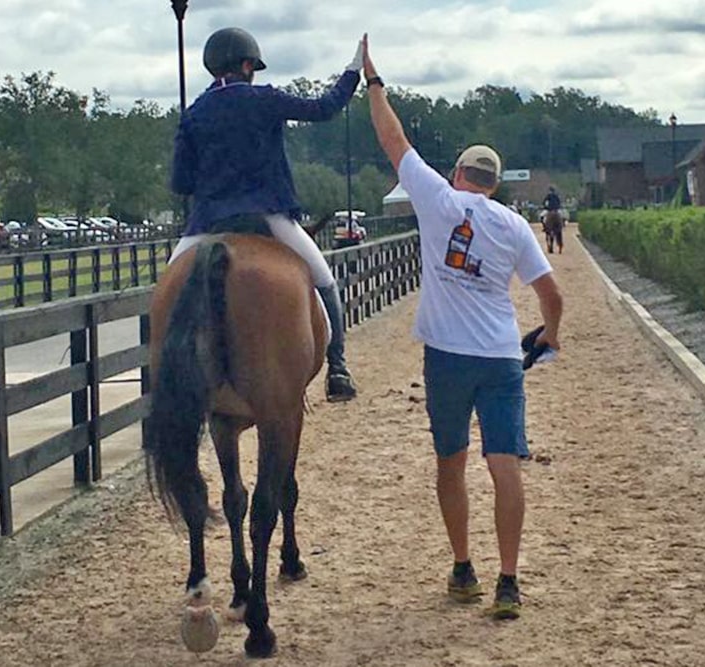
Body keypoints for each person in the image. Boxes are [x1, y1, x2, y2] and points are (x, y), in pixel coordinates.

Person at [361, 36, 563, 620]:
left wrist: (375, 81)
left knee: (450, 461)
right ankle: (508, 580)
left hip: (446, 357)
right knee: (505, 465)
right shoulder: (515, 225)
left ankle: (462, 567)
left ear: (457, 175)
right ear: (494, 183)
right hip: (501, 357)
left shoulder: (436, 199)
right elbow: (551, 294)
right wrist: (548, 334)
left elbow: (393, 139)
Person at [170, 27, 361, 402]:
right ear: (246, 65)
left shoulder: (193, 114)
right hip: (268, 215)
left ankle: (166, 376)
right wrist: (353, 71)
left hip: (208, 222)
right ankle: (337, 367)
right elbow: (324, 107)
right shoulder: (264, 99)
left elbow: (180, 182)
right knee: (325, 283)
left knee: (168, 293)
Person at [541, 186, 563, 254]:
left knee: (541, 217)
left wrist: (546, 207)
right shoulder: (556, 196)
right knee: (563, 217)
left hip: (549, 211)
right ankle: (562, 225)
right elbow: (559, 203)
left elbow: (544, 203)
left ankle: (544, 227)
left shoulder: (548, 196)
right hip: (556, 210)